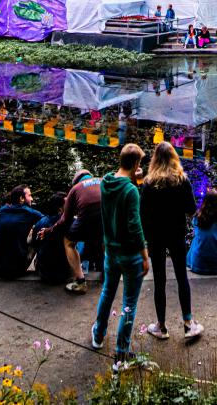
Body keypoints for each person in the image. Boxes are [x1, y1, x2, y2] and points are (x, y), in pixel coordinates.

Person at [91, 144, 150, 365]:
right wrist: (144, 254)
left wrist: (136, 179)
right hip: (130, 254)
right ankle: (121, 352)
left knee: (107, 292)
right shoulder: (131, 191)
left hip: (111, 250)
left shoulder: (106, 182)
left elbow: (110, 210)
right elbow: (135, 226)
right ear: (136, 164)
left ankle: (98, 335)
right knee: (129, 304)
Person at [138, 142, 202, 342]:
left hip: (155, 236)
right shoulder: (181, 181)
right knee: (182, 276)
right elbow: (191, 210)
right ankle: (188, 323)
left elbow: (142, 214)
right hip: (176, 233)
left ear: (155, 159)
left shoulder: (148, 183)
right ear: (174, 157)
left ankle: (161, 326)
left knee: (159, 280)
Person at [56, 169, 103, 294]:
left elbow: (66, 219)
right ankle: (107, 275)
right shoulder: (103, 180)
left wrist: (50, 229)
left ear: (75, 181)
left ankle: (81, 282)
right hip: (108, 218)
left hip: (87, 219)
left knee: (68, 242)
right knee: (105, 240)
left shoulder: (75, 188)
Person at [0, 185, 44, 280]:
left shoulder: (2, 210)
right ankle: (40, 265)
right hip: (17, 269)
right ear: (21, 198)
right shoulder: (29, 212)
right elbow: (47, 222)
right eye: (30, 195)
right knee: (38, 233)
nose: (32, 198)